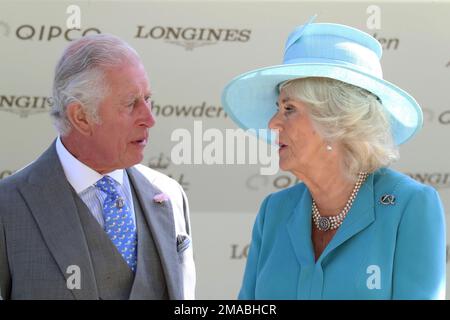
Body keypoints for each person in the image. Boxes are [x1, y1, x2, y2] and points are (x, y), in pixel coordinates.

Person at [221, 20, 446, 299]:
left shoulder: (409, 206)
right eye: (277, 108)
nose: (272, 123)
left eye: (289, 109)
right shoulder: (274, 212)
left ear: (336, 120)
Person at [0, 34, 195, 300]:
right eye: (130, 104)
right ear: (80, 117)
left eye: (148, 99)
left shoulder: (169, 194)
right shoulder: (7, 207)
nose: (150, 119)